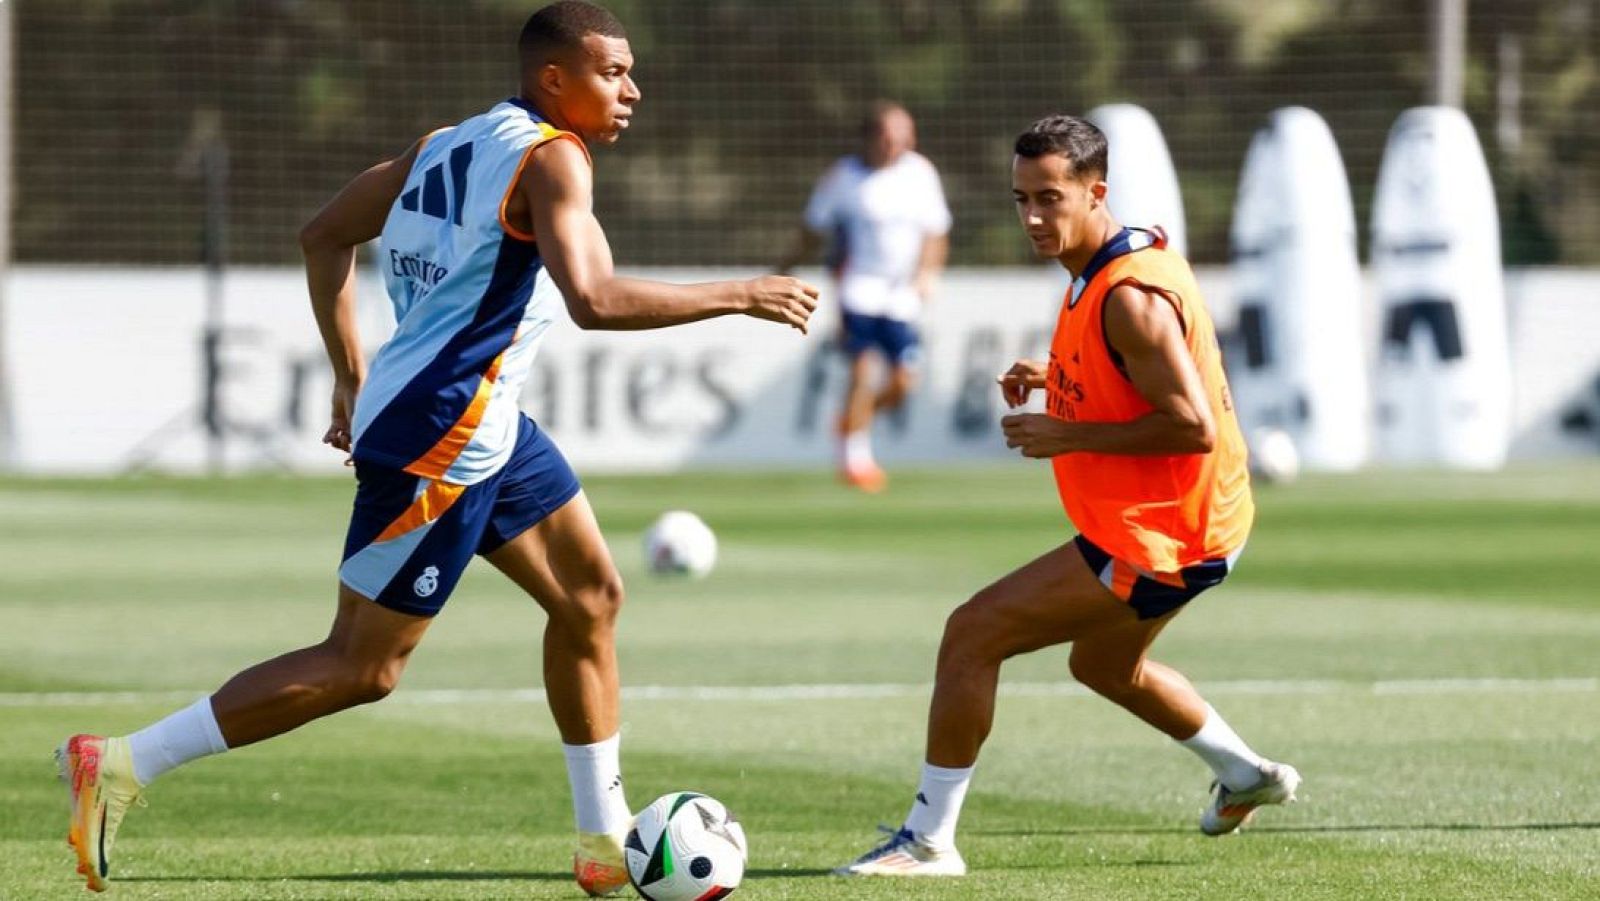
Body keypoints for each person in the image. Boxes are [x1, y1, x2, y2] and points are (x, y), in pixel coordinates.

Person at [55, 2, 817, 895]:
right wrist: (742, 291)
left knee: (591, 598)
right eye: (614, 72)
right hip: (441, 437)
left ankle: (603, 841)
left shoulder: (445, 143)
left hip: (484, 422)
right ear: (554, 81)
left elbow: (322, 235)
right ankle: (119, 763)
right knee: (363, 666)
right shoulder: (552, 158)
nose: (631, 90)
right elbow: (596, 300)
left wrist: (350, 375)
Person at [837, 115, 1298, 877]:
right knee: (1104, 666)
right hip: (1194, 521)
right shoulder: (1119, 256)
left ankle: (927, 841)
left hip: (1164, 535)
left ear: (1095, 191)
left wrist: (1068, 432)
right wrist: (1058, 378)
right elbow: (1133, 371)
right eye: (1021, 199)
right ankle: (1248, 774)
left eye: (1050, 198)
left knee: (972, 633)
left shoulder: (1128, 296)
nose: (1033, 218)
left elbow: (1190, 426)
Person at [776, 101, 951, 493]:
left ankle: (853, 422)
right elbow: (813, 229)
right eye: (888, 137)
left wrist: (927, 273)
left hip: (901, 296)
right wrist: (786, 268)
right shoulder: (843, 177)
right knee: (862, 371)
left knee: (905, 380)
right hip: (858, 289)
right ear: (870, 138)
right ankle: (855, 458)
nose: (896, 145)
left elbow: (935, 232)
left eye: (904, 137)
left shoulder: (921, 173)